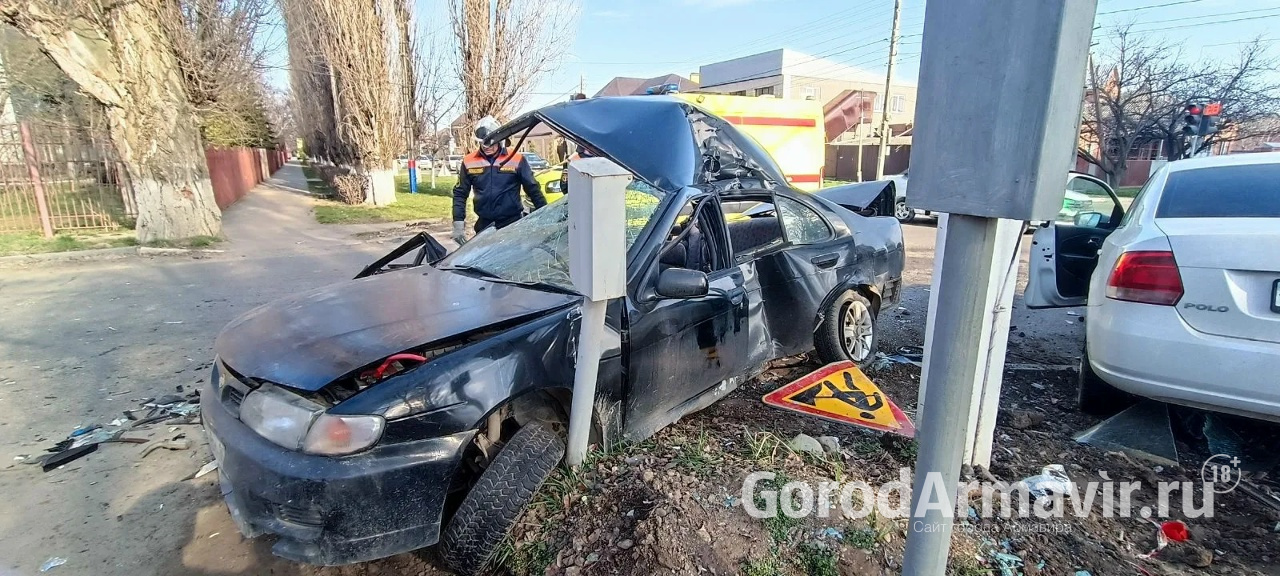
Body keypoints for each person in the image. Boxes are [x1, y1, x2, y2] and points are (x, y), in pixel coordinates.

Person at [451, 116, 547, 245]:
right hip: (484, 225)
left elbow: (533, 189)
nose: (487, 146)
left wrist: (545, 215)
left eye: (490, 142)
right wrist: (458, 224)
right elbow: (460, 193)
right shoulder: (469, 161)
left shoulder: (516, 159)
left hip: (512, 224)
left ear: (500, 139)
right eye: (483, 143)